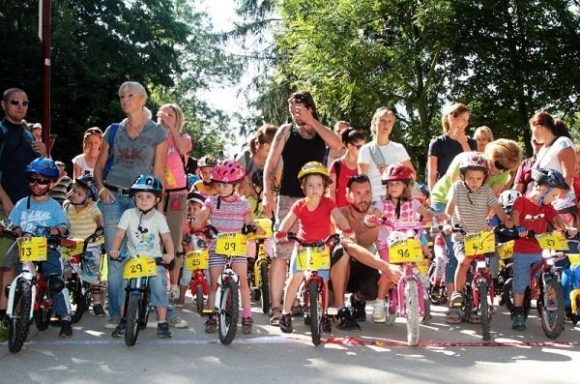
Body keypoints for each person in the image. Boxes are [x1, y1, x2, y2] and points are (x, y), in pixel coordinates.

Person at [262, 91, 342, 326]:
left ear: (310, 108)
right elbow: (271, 163)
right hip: (288, 199)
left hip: (316, 201)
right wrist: (267, 193)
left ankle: (312, 303)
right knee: (282, 252)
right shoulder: (286, 131)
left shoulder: (320, 132)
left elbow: (338, 145)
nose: (294, 114)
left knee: (315, 250)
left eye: (298, 109)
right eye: (291, 109)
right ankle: (277, 308)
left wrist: (311, 120)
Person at [93, 81, 168, 330]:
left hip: (142, 200)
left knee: (143, 254)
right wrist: (102, 189)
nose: (125, 99)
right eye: (122, 95)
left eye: (131, 95)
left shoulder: (158, 132)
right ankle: (117, 313)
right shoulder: (113, 130)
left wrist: (159, 208)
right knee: (116, 259)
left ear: (143, 99)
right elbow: (99, 166)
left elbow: (159, 173)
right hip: (113, 198)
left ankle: (146, 308)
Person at [274, 162, 353, 334]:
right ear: (303, 187)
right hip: (302, 245)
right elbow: (289, 219)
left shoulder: (328, 203)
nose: (315, 189)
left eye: (319, 185)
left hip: (322, 246)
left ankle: (323, 315)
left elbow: (338, 216)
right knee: (295, 277)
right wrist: (281, 232)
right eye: (310, 185)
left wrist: (346, 229)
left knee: (324, 280)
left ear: (325, 187)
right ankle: (285, 313)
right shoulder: (300, 204)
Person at [192, 160, 261, 334]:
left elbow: (248, 221)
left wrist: (253, 226)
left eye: (225, 185)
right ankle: (213, 315)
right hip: (217, 246)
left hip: (237, 248)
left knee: (243, 282)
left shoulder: (243, 203)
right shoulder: (212, 201)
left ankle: (246, 316)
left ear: (235, 185)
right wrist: (199, 218)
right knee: (214, 283)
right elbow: (204, 212)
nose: (221, 188)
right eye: (219, 184)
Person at [372, 164, 446, 323]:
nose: (393, 187)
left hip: (409, 239)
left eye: (397, 183)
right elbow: (374, 215)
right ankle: (379, 302)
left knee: (420, 256)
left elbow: (426, 214)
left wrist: (436, 216)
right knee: (388, 271)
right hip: (387, 242)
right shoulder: (382, 204)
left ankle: (421, 278)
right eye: (390, 184)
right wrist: (371, 219)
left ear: (406, 185)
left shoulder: (413, 204)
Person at [444, 154, 513, 324]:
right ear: (463, 177)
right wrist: (447, 223)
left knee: (488, 266)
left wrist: (507, 221)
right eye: (470, 178)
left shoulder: (487, 191)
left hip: (481, 237)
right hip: (463, 235)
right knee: (464, 261)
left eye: (478, 178)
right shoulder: (457, 188)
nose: (474, 182)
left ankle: (481, 302)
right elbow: (450, 208)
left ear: (484, 178)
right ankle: (457, 294)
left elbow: (497, 208)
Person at [330, 174, 403, 330]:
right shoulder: (339, 214)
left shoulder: (379, 215)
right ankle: (340, 310)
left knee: (373, 290)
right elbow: (348, 245)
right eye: (358, 193)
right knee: (343, 252)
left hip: (365, 264)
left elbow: (392, 238)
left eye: (367, 192)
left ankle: (357, 300)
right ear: (348, 196)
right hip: (338, 267)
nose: (363, 198)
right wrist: (385, 266)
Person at [10, 157, 72, 337]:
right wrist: (15, 229)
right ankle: (14, 311)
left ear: (51, 183)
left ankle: (65, 317)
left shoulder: (54, 206)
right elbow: (13, 222)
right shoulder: (22, 204)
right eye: (33, 180)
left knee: (56, 281)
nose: (36, 184)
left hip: (48, 248)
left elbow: (63, 225)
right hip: (26, 249)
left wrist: (56, 230)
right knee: (14, 272)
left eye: (42, 181)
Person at [0, 88, 47, 325]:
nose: (20, 106)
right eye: (15, 102)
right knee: (5, 261)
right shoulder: (2, 131)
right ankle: (3, 316)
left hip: (29, 205)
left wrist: (44, 154)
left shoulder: (29, 135)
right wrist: (6, 201)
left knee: (24, 261)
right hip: (6, 205)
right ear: (4, 104)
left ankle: (18, 315)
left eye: (25, 103)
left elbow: (43, 173)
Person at [108, 175, 175, 338]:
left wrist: (169, 254)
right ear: (133, 198)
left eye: (148, 197)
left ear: (157, 199)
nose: (144, 200)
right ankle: (124, 319)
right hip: (134, 259)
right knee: (126, 287)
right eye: (139, 196)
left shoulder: (159, 217)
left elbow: (166, 237)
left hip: (154, 261)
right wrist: (115, 249)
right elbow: (119, 235)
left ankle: (163, 321)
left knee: (158, 285)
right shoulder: (128, 215)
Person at [510, 168, 576, 330]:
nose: (554, 199)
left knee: (548, 273)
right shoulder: (522, 202)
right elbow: (514, 219)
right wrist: (518, 229)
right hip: (523, 250)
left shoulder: (546, 206)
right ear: (543, 189)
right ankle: (518, 313)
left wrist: (568, 227)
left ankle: (553, 311)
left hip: (539, 248)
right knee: (520, 282)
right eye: (553, 195)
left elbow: (556, 219)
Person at [156, 103, 193, 305]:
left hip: (177, 194)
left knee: (175, 238)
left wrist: (171, 127)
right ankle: (158, 283)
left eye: (171, 115)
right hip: (157, 193)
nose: (166, 117)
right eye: (164, 115)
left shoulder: (183, 138)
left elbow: (181, 148)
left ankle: (175, 285)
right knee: (157, 238)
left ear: (178, 119)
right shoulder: (155, 137)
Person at [64, 174, 106, 316]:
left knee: (93, 275)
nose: (74, 195)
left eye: (79, 193)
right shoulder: (67, 206)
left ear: (88, 199)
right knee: (66, 270)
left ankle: (97, 303)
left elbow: (99, 218)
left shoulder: (92, 208)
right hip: (72, 243)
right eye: (73, 191)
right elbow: (62, 222)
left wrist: (100, 228)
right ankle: (65, 297)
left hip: (90, 244)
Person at [358, 107, 415, 202]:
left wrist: (392, 170)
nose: (386, 124)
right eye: (383, 120)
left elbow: (412, 175)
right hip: (375, 200)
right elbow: (362, 182)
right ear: (375, 122)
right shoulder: (365, 149)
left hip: (397, 200)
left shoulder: (399, 148)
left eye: (390, 121)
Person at [427, 103, 477, 192]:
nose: (466, 124)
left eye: (467, 120)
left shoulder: (472, 142)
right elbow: (432, 175)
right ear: (452, 118)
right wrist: (433, 195)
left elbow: (474, 166)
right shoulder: (436, 143)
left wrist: (463, 143)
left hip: (466, 192)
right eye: (463, 119)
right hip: (443, 193)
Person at [530, 111, 576, 199]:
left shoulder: (563, 143)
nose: (533, 136)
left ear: (539, 127)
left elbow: (568, 176)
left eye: (532, 130)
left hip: (561, 204)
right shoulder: (543, 149)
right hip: (543, 204)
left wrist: (555, 198)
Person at [176, 191, 207, 307]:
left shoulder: (206, 223)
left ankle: (212, 298)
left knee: (210, 275)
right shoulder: (186, 224)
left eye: (195, 209)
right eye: (190, 209)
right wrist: (182, 243)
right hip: (190, 255)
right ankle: (182, 296)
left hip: (205, 255)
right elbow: (183, 236)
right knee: (185, 277)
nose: (192, 211)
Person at [328, 128, 366, 208]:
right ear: (349, 146)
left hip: (358, 214)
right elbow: (331, 191)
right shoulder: (336, 165)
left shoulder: (363, 165)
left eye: (364, 147)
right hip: (340, 214)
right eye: (359, 147)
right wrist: (335, 213)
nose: (363, 150)